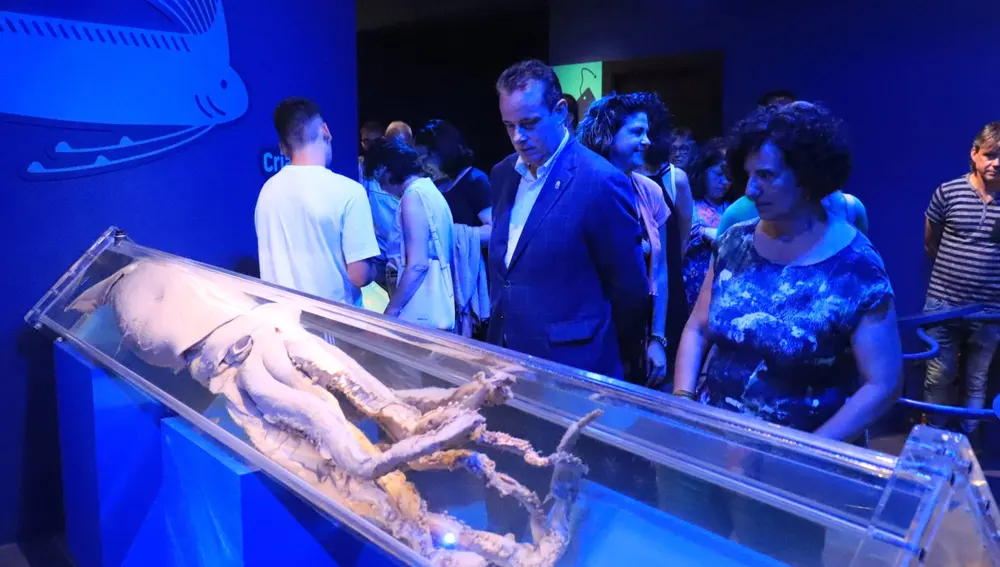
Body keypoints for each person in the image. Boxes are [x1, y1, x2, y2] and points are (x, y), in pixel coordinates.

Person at [665, 101, 902, 564]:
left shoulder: (856, 265)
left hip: (789, 467)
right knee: (686, 551)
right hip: (707, 441)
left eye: (768, 176)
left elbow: (884, 383)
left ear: (809, 175)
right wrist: (681, 403)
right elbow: (698, 328)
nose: (750, 189)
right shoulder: (735, 240)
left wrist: (804, 453)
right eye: (748, 173)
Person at [488, 59, 648, 379]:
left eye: (530, 123)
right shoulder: (503, 173)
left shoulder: (600, 181)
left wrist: (627, 359)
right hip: (505, 359)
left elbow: (629, 290)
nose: (518, 136)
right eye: (509, 125)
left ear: (560, 111)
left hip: (574, 367)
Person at [577, 92, 671, 386]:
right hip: (590, 333)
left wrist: (657, 338)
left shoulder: (650, 192)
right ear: (608, 136)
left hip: (636, 332)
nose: (647, 141)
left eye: (647, 132)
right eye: (636, 132)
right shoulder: (580, 189)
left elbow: (662, 270)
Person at [255, 97, 379, 306]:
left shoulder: (267, 192)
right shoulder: (349, 192)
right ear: (325, 131)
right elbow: (359, 276)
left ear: (283, 148)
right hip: (334, 328)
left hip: (280, 325)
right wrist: (376, 268)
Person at [923, 121, 1000, 435]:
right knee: (938, 376)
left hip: (991, 310)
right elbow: (931, 241)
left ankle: (968, 443)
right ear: (975, 154)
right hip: (943, 304)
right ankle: (931, 443)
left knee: (977, 379)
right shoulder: (948, 191)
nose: (996, 163)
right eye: (991, 154)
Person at [364, 137, 457, 331]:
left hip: (419, 309)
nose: (380, 187)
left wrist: (392, 310)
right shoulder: (429, 190)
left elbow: (417, 264)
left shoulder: (413, 197)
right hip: (433, 305)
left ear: (383, 169)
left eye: (377, 178)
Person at [639, 120, 694, 385]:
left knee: (666, 378)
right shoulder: (615, 176)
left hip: (667, 287)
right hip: (634, 289)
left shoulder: (675, 178)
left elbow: (682, 238)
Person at [682, 137, 738, 311]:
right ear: (704, 171)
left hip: (725, 290)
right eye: (718, 174)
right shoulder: (689, 201)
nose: (724, 182)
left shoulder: (733, 206)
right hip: (691, 289)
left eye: (729, 177)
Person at [415, 119, 493, 241]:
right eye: (420, 159)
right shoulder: (434, 186)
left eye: (426, 157)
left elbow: (492, 230)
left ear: (444, 151)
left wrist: (451, 234)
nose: (423, 165)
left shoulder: (474, 181)